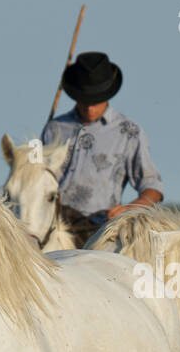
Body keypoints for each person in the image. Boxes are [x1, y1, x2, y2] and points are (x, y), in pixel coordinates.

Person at [42, 51, 163, 244]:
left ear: (107, 95)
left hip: (99, 228)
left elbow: (152, 188)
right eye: (84, 100)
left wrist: (130, 208)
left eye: (95, 100)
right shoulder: (54, 128)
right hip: (53, 229)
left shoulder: (128, 132)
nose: (89, 107)